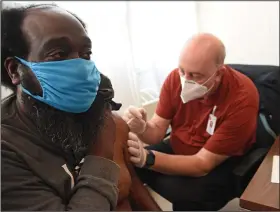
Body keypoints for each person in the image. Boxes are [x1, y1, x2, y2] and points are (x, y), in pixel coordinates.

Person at [1, 3, 121, 211]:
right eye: (58, 54)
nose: (81, 69)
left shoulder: (89, 108)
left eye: (85, 54)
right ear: (15, 70)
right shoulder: (7, 153)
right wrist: (101, 154)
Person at [122, 33, 260, 210]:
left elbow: (202, 164)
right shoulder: (175, 79)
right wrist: (142, 127)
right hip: (180, 146)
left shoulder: (243, 98)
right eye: (182, 71)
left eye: (196, 75)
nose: (186, 81)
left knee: (188, 196)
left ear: (218, 73)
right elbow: (156, 133)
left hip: (221, 160)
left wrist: (148, 159)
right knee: (125, 160)